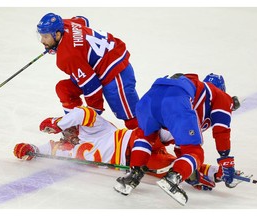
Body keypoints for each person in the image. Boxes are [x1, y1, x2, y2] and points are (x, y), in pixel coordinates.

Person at [13, 106, 218, 190]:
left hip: (136, 141)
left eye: (69, 129)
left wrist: (58, 121)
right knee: (169, 169)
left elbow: (81, 112)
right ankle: (210, 173)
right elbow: (41, 150)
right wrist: (27, 148)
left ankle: (195, 121)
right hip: (131, 162)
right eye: (65, 132)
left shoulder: (91, 127)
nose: (69, 134)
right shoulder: (64, 148)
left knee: (171, 134)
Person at [114, 73, 238, 205]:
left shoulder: (197, 96)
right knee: (195, 151)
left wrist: (192, 175)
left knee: (146, 136)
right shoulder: (220, 95)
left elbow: (181, 146)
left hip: (150, 97)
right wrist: (226, 160)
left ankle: (132, 176)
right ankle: (172, 179)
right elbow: (222, 130)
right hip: (174, 100)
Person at [36, 13, 139, 129]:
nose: (42, 41)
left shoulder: (67, 57)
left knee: (131, 116)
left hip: (115, 68)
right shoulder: (65, 24)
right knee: (65, 89)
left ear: (58, 34)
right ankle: (74, 128)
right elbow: (82, 20)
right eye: (41, 36)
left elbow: (92, 85)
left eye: (46, 37)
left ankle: (148, 141)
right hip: (97, 67)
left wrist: (92, 114)